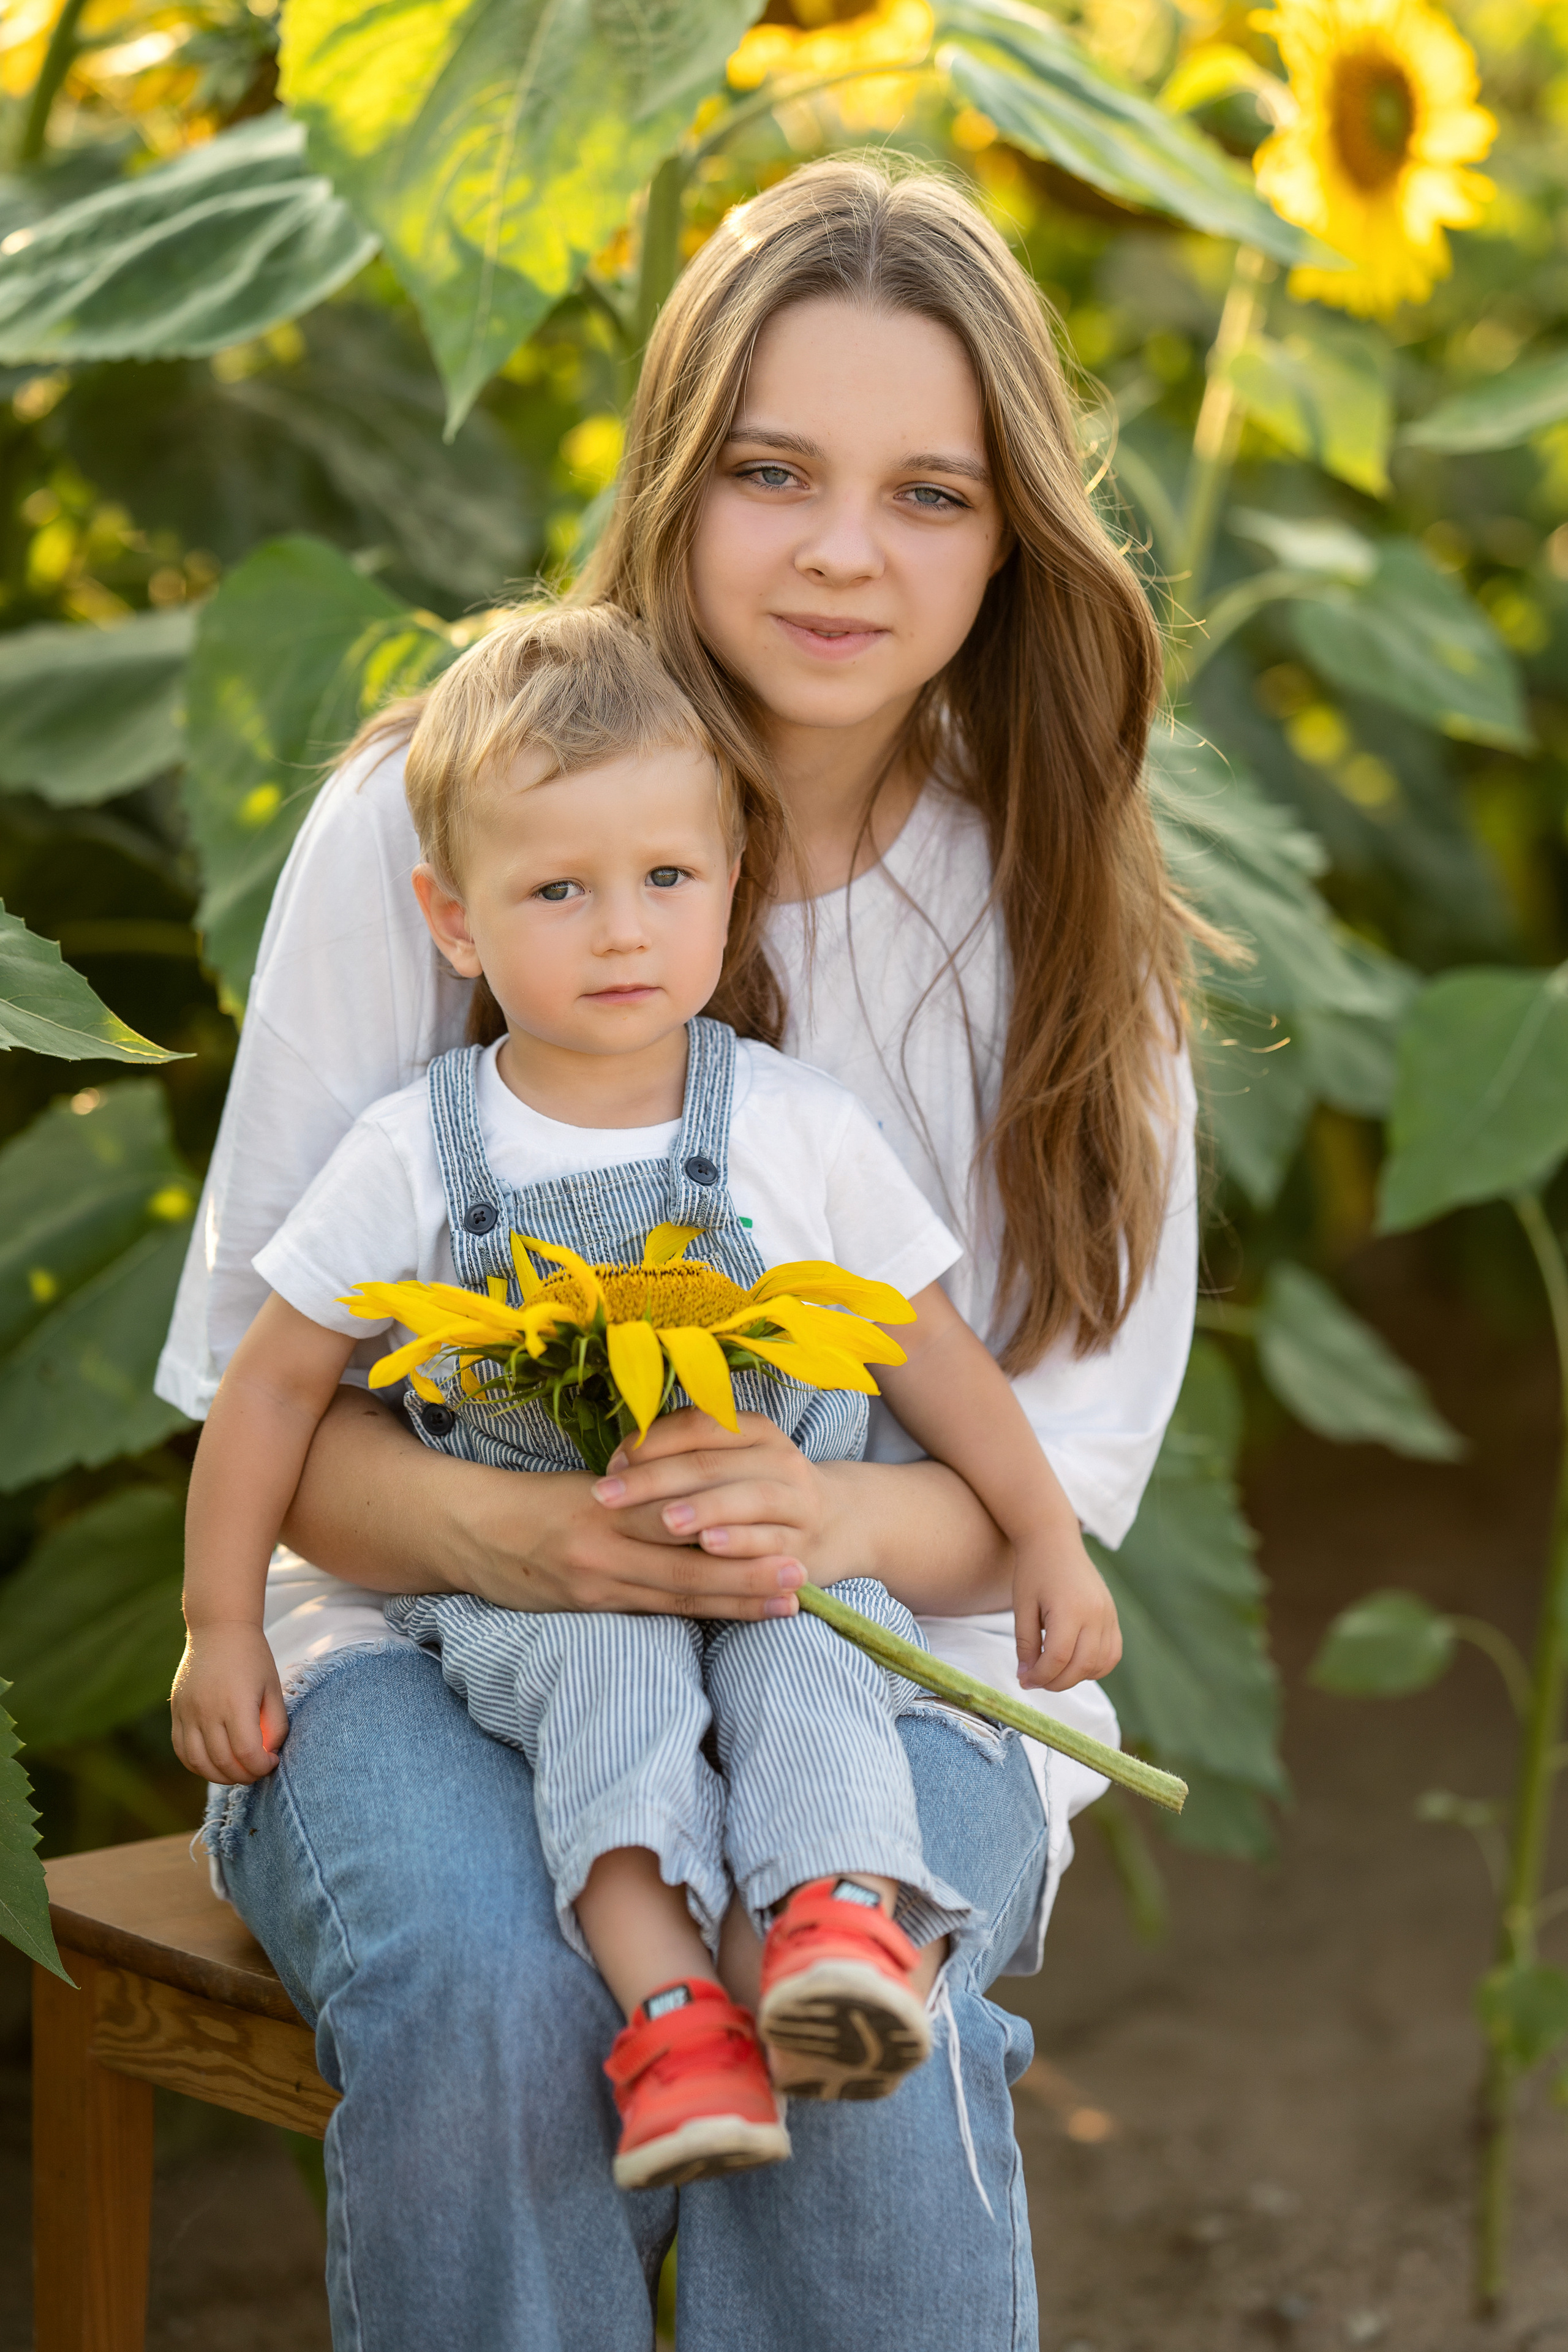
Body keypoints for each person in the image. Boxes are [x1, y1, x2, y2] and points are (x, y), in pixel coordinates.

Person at [159, 158, 1198, 2351]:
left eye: (931, 491)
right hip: (427, 1649)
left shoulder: (1060, 923)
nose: (844, 548)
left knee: (843, 1994)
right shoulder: (427, 834)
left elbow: (1052, 1502)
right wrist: (524, 1538)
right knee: (489, 1974)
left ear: (1014, 535)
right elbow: (269, 1406)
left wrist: (809, 1512)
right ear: (673, 476)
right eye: (773, 471)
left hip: (883, 1643)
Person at [172, 604, 1126, 2193]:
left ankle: (821, 1934)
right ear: (455, 920)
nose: (622, 932)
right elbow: (267, 1391)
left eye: (665, 882)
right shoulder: (417, 1150)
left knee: (817, 1653)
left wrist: (1046, 1541)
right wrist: (223, 1624)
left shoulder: (793, 1127)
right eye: (559, 890)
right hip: (548, 1581)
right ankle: (674, 2017)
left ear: (729, 886)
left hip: (765, 1549)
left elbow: (930, 1355)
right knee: (611, 1698)